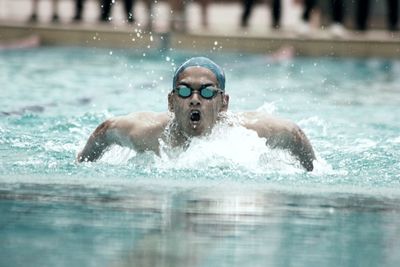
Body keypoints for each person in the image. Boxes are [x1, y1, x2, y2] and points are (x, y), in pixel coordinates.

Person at [77, 57, 316, 171]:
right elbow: (104, 131)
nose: (194, 99)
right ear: (171, 102)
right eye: (183, 90)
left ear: (223, 103)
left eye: (206, 92)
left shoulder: (248, 134)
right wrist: (80, 166)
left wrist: (312, 171)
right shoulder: (147, 133)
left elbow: (294, 134)